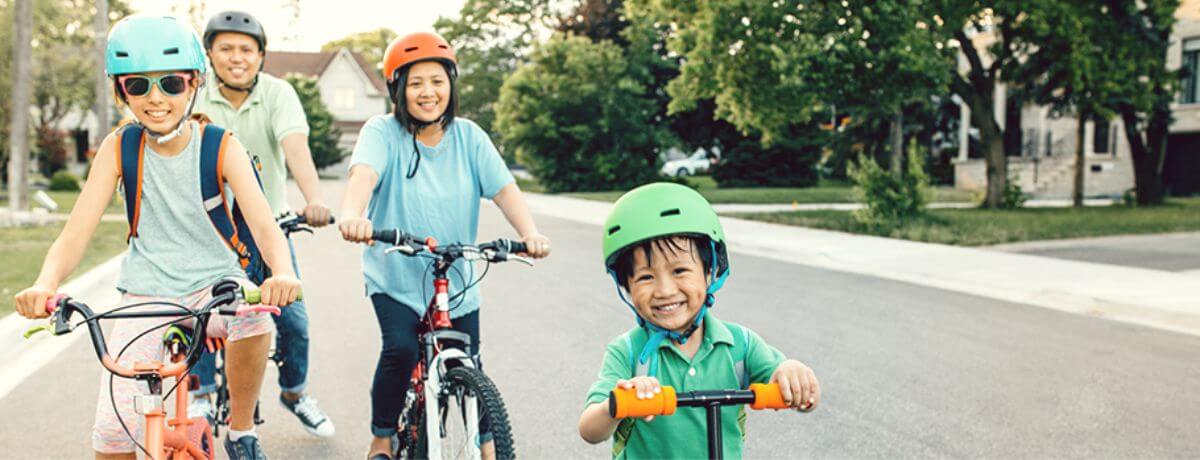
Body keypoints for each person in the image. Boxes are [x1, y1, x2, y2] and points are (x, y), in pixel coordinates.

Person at [11, 15, 299, 460]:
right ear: (120, 90)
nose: (156, 98)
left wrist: (281, 272)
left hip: (217, 287)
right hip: (146, 293)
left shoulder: (222, 145)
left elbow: (264, 227)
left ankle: (241, 430)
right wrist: (45, 284)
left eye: (170, 83)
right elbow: (75, 233)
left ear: (194, 83)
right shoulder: (118, 148)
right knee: (111, 436)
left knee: (254, 317)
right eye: (137, 86)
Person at [336, 31, 550, 460]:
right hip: (395, 271)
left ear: (451, 85)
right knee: (398, 348)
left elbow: (505, 189)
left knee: (470, 362)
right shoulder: (382, 131)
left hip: (457, 278)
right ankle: (381, 437)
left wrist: (529, 232)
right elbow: (364, 175)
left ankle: (490, 449)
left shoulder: (469, 137)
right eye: (415, 83)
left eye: (437, 80)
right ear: (398, 89)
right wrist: (352, 214)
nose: (427, 92)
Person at [577, 182, 821, 459]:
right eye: (645, 277)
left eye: (680, 270)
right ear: (627, 287)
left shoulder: (740, 345)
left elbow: (805, 402)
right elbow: (590, 430)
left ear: (710, 272)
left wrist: (793, 373)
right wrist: (618, 404)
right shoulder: (629, 352)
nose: (665, 290)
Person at [188, 10, 335, 437]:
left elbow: (295, 147)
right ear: (209, 55)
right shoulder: (194, 94)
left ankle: (294, 392)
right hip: (206, 226)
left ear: (261, 56)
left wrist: (315, 199)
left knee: (294, 320)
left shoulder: (277, 93)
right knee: (201, 313)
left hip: (265, 224)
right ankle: (201, 391)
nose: (237, 58)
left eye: (246, 50)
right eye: (226, 48)